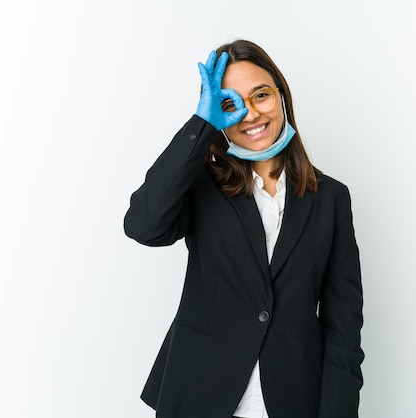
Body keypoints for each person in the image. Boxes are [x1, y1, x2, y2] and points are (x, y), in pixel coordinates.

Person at [124, 39, 364, 418]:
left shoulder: (331, 198)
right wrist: (200, 126)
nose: (251, 114)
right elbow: (143, 225)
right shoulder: (200, 185)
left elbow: (344, 325)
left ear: (281, 96)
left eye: (261, 95)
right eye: (232, 104)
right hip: (200, 394)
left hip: (294, 398)